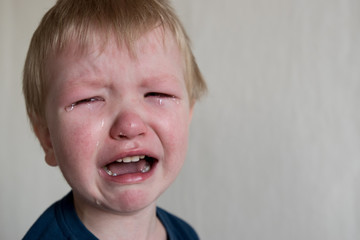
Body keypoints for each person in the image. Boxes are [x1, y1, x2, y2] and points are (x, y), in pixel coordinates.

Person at [22, 0, 207, 239]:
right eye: (89, 100)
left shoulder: (186, 234)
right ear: (46, 136)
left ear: (188, 115)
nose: (130, 125)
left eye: (157, 94)